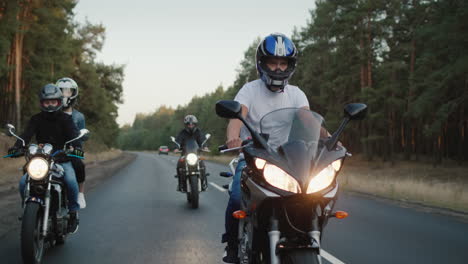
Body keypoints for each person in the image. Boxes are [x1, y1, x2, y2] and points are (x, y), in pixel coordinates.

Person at [221, 33, 310, 263]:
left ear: (290, 66)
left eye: (283, 63)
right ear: (262, 63)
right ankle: (231, 245)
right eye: (273, 62)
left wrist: (331, 139)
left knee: (310, 195)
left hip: (286, 159)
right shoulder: (249, 90)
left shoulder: (296, 94)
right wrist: (233, 138)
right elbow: (237, 115)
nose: (278, 69)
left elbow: (308, 120)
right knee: (236, 196)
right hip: (253, 155)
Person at [8, 84, 83, 233]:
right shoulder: (36, 119)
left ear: (59, 102)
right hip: (41, 157)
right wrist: (18, 146)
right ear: (42, 103)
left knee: (70, 180)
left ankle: (73, 213)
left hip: (61, 157)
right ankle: (28, 209)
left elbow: (75, 136)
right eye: (46, 102)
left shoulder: (65, 119)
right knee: (24, 182)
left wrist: (76, 147)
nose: (49, 105)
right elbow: (26, 135)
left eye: (53, 102)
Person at [56, 77, 87, 209]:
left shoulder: (79, 116)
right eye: (61, 91)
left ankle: (80, 194)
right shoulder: (52, 113)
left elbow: (82, 135)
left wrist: (77, 145)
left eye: (68, 91)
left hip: (72, 149)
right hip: (54, 149)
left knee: (79, 165)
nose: (64, 94)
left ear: (73, 94)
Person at [174, 115, 209, 192]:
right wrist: (176, 148)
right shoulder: (182, 132)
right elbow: (178, 140)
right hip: (185, 154)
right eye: (189, 124)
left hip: (196, 154)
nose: (190, 126)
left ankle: (203, 182)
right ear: (186, 125)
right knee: (179, 165)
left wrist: (205, 147)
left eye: (192, 124)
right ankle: (180, 184)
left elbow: (202, 140)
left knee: (202, 164)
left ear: (195, 124)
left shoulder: (198, 132)